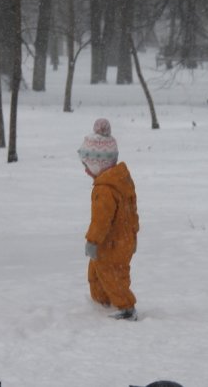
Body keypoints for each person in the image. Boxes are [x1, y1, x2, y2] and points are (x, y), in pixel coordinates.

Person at [78, 118, 140, 320]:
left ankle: (126, 307)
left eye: (87, 165)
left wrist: (92, 241)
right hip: (124, 239)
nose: (85, 170)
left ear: (99, 164)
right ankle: (103, 302)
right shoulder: (120, 181)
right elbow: (131, 210)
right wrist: (133, 235)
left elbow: (101, 221)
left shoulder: (104, 189)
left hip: (111, 242)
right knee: (99, 272)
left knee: (111, 273)